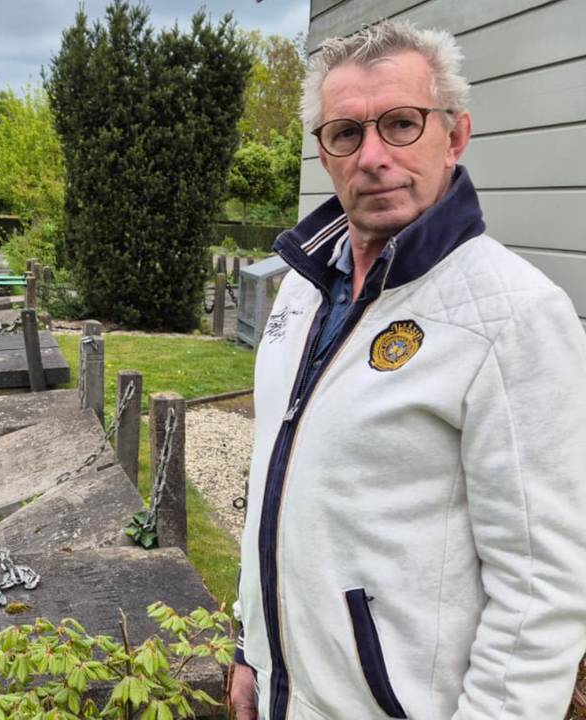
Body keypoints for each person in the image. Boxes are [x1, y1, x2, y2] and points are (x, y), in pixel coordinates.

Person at [229, 20, 586, 720]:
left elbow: (543, 588)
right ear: (324, 154)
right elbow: (277, 480)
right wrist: (252, 653)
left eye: (400, 124)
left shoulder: (514, 317)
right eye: (345, 134)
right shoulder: (302, 290)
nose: (372, 157)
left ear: (454, 137)